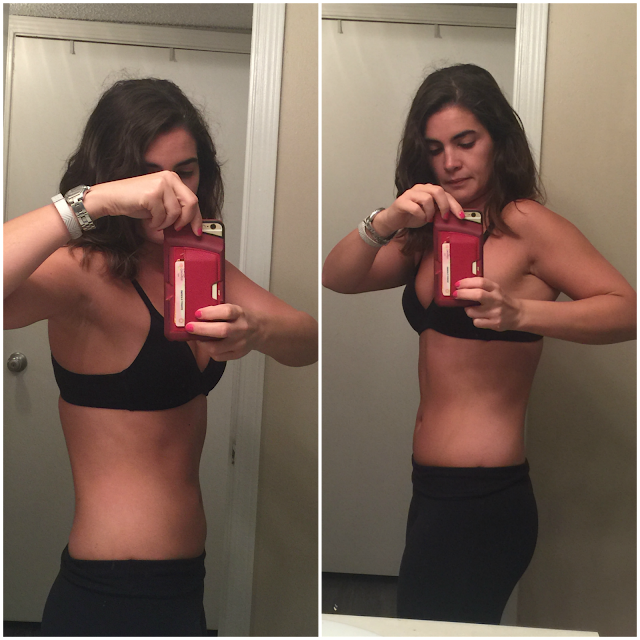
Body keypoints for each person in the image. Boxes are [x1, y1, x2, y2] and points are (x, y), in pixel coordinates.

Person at [321, 64, 636, 625]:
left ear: (498, 141)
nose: (450, 161)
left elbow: (627, 309)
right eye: (435, 148)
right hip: (433, 489)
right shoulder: (433, 232)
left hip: (484, 498)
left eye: (466, 142)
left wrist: (521, 312)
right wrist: (387, 218)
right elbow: (337, 277)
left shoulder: (527, 224)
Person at [3, 78, 319, 637]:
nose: (169, 192)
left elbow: (308, 341)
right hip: (108, 597)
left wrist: (258, 330)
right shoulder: (83, 273)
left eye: (185, 171)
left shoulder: (197, 264)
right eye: (147, 175)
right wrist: (93, 201)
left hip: (183, 587)